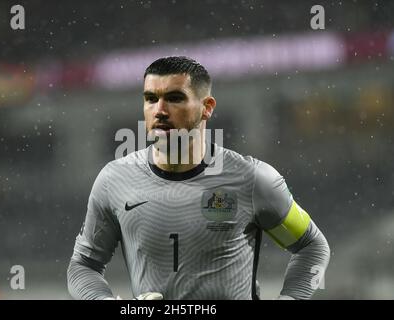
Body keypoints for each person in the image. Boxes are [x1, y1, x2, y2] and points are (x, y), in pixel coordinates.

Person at [67, 56, 330, 300]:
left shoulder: (252, 179)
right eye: (150, 98)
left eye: (174, 98)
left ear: (207, 108)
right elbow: (83, 266)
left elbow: (312, 247)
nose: (159, 110)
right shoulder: (114, 180)